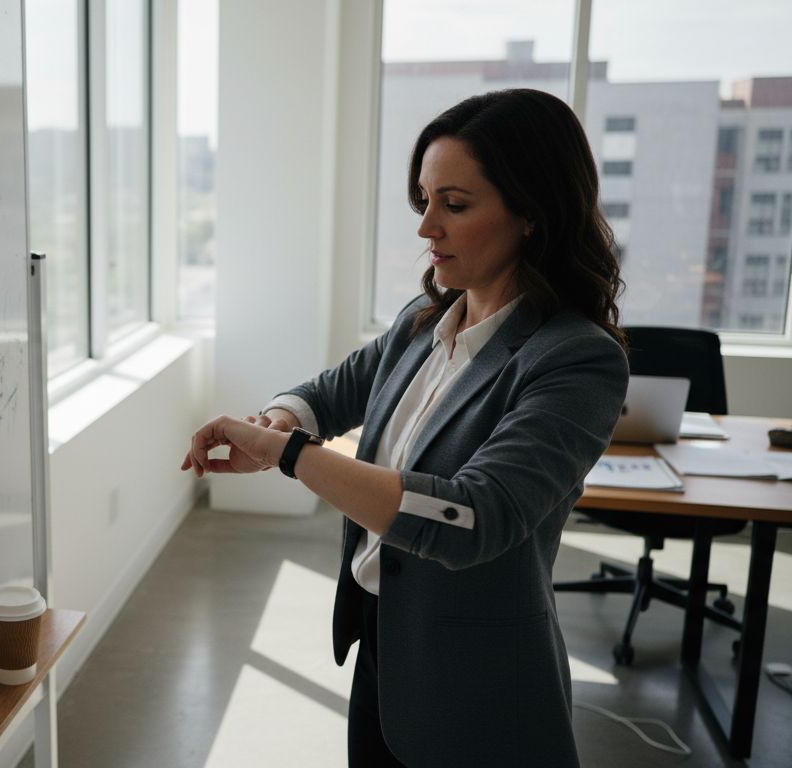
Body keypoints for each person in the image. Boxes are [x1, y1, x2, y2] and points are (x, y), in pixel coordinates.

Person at [181, 89, 628, 767]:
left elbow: (472, 516)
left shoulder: (575, 359)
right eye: (424, 201)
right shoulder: (423, 324)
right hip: (386, 646)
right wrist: (280, 419)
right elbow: (330, 392)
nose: (426, 228)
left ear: (532, 211)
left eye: (455, 204)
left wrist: (286, 453)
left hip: (478, 683)